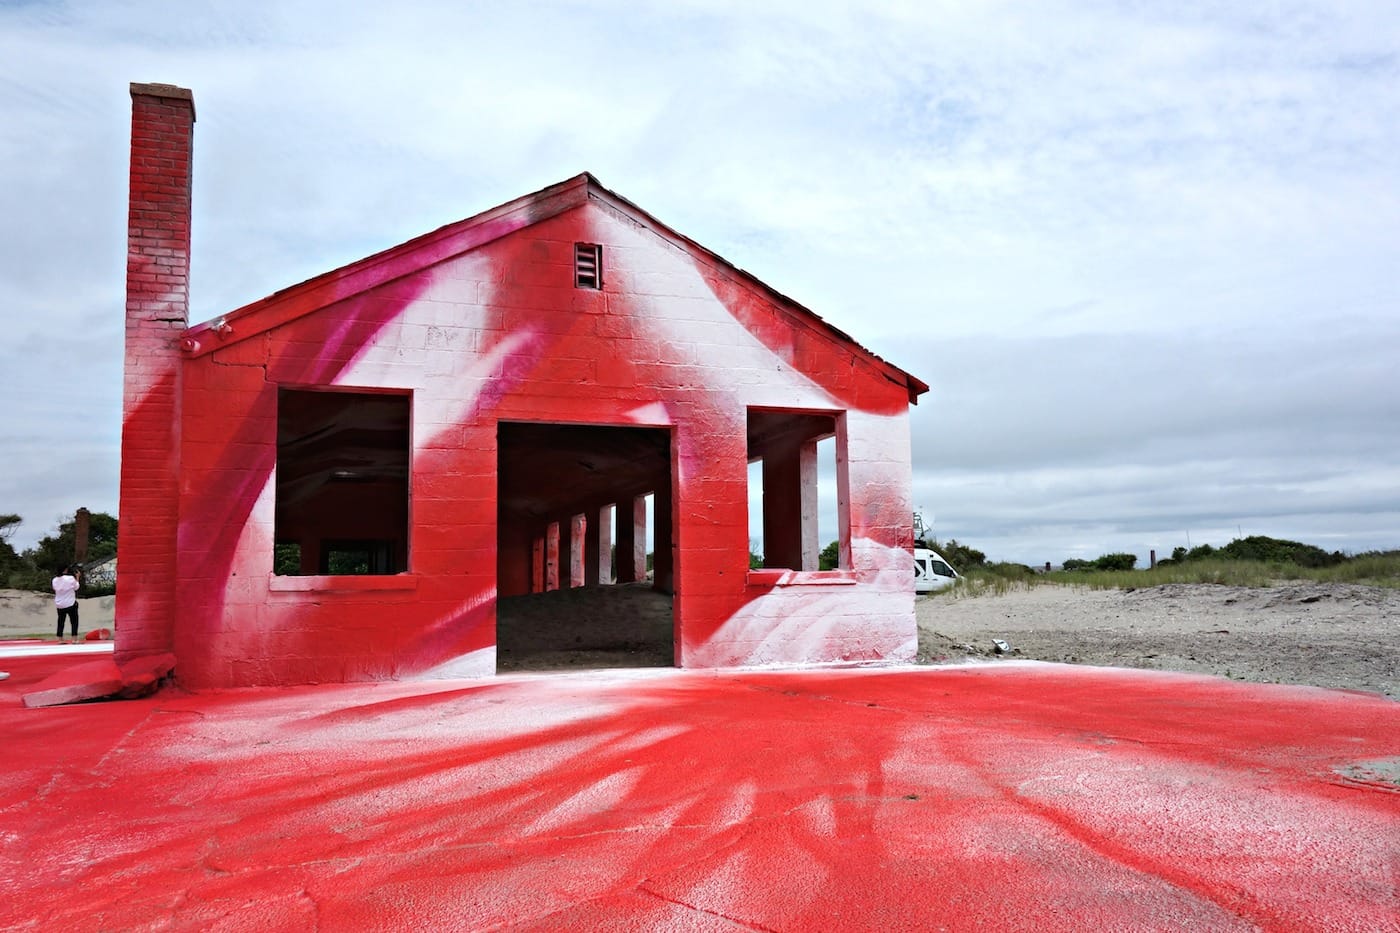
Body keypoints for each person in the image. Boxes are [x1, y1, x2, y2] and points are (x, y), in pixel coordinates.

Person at [53, 565, 81, 644]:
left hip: (59, 603)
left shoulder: (54, 580)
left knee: (61, 621)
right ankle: (74, 639)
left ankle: (60, 639)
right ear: (65, 570)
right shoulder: (70, 578)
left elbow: (55, 588)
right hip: (70, 602)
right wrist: (77, 577)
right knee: (74, 621)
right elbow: (76, 587)